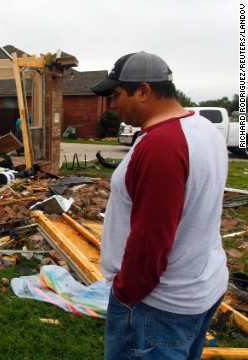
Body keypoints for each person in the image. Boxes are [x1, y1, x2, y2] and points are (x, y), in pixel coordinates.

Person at [91, 52, 228, 359]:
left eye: (116, 95)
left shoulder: (162, 146)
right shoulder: (203, 128)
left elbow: (151, 240)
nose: (112, 105)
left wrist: (125, 294)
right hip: (201, 287)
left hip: (157, 307)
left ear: (143, 91)